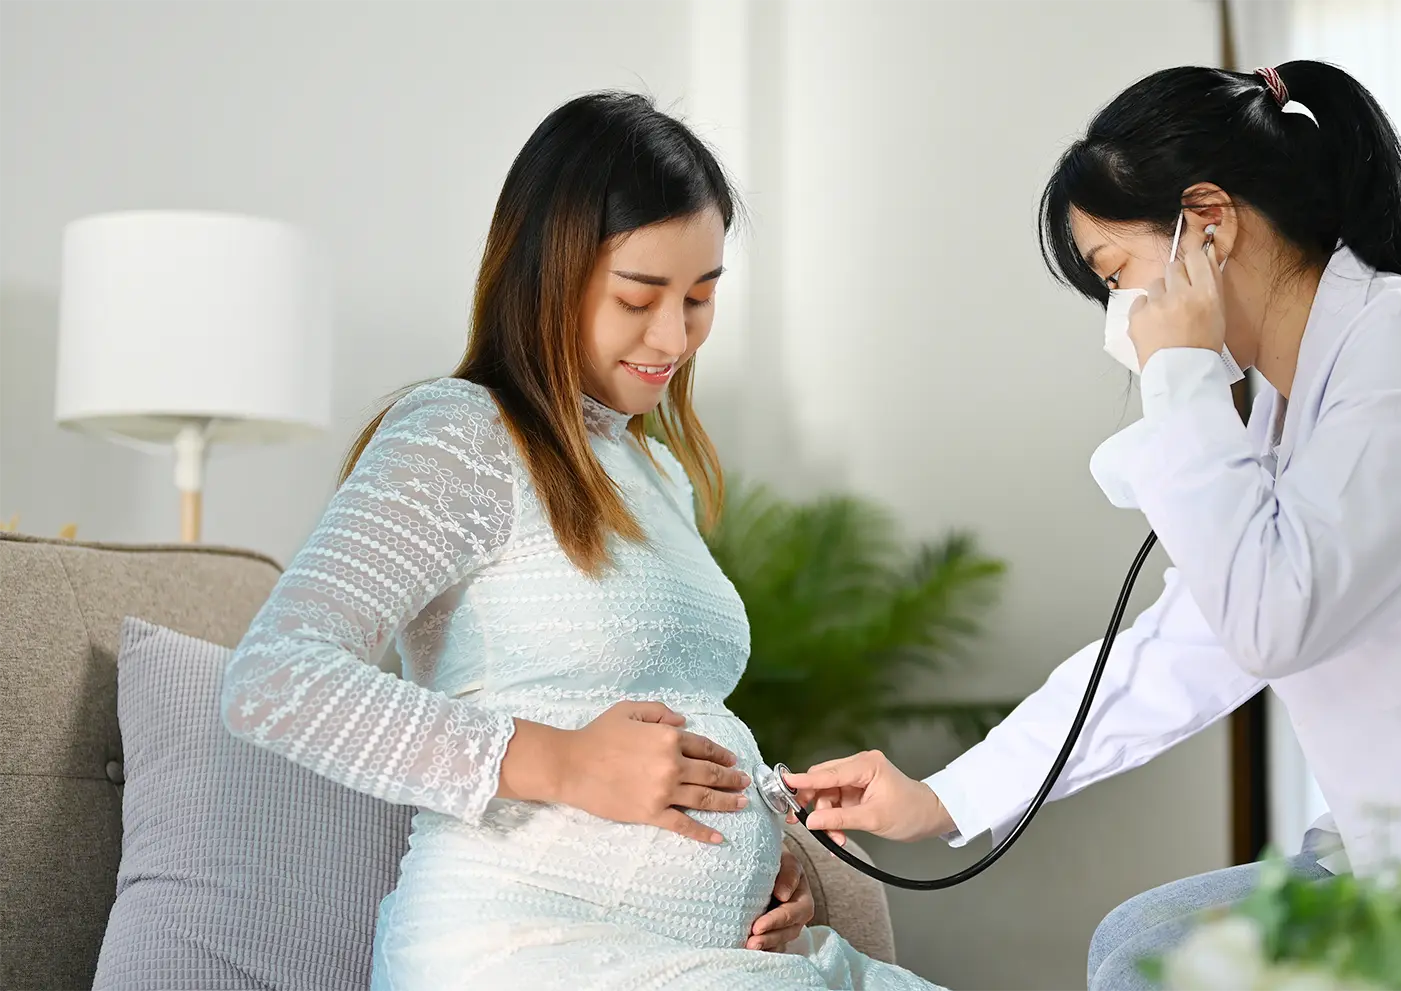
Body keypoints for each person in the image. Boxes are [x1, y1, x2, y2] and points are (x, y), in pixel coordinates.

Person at [783, 62, 1401, 991]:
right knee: (1145, 946)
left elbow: (1270, 616)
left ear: (1208, 225)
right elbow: (1182, 647)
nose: (1120, 315)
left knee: (1151, 955)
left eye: (1117, 272)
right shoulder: (1302, 411)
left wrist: (1179, 376)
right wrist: (946, 795)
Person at [222, 92, 946, 991]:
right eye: (640, 297)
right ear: (547, 273)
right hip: (523, 955)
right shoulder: (459, 434)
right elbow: (273, 680)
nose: (674, 336)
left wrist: (766, 861)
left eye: (701, 297)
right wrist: (561, 760)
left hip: (712, 955)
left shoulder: (656, 472)